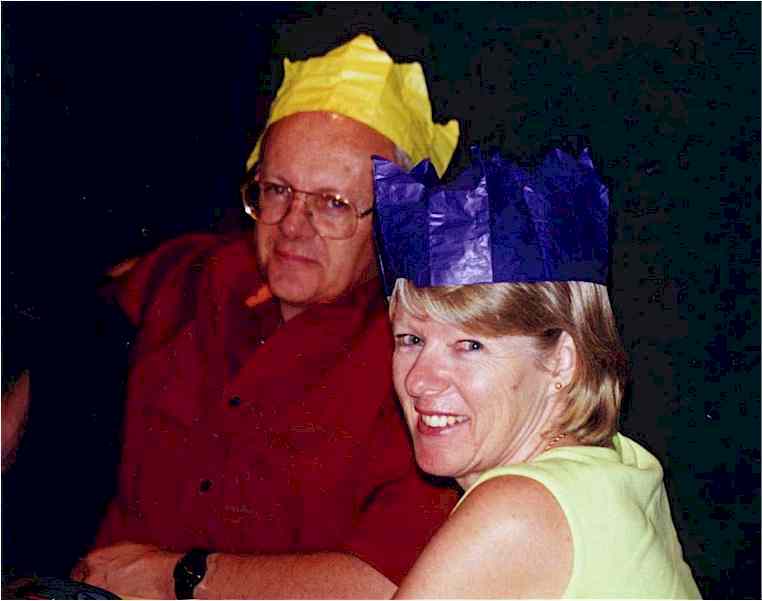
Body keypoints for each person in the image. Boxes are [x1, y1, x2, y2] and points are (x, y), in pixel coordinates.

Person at [73, 34, 460, 599]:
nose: (293, 226)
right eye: (277, 190)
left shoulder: (425, 363)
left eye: (333, 204)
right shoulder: (199, 275)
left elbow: (384, 586)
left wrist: (177, 578)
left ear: (394, 225)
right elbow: (57, 319)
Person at [372, 149, 702, 598]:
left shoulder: (518, 510)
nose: (419, 381)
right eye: (410, 339)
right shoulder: (617, 466)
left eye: (470, 345)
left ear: (561, 361)